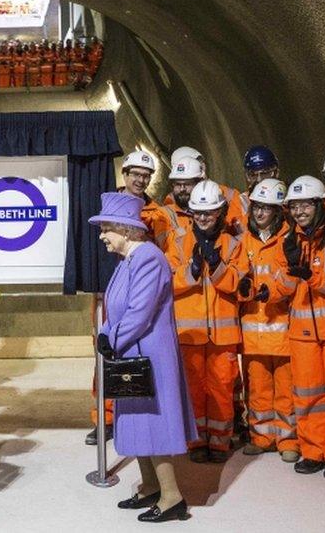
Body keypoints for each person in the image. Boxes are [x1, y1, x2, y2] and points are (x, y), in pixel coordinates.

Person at [89, 192, 196, 523]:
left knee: (153, 424)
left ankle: (172, 496)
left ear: (127, 230)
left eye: (107, 228)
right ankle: (151, 486)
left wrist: (112, 338)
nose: (103, 235)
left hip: (149, 354)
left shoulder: (148, 257)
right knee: (136, 421)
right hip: (132, 352)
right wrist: (107, 333)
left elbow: (140, 312)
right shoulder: (128, 261)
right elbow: (117, 307)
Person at [274, 175, 325, 479]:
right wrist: (292, 270)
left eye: (305, 204)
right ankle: (312, 450)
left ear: (320, 204)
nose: (299, 211)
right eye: (294, 206)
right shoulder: (290, 240)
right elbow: (282, 287)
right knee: (307, 396)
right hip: (302, 332)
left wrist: (309, 276)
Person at [164, 180, 242, 463]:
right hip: (190, 333)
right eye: (198, 212)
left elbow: (239, 284)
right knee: (194, 389)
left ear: (221, 211)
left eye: (209, 212)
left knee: (222, 388)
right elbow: (166, 282)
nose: (203, 217)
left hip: (223, 335)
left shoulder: (233, 243)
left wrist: (218, 267)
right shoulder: (179, 241)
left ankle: (220, 443)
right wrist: (192, 270)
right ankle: (196, 441)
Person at [236, 179, 299, 462]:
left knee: (286, 389)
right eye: (257, 207)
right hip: (253, 330)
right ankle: (261, 436)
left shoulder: (289, 238)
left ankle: (287, 439)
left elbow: (292, 278)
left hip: (281, 327)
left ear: (278, 210)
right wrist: (243, 287)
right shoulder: (244, 239)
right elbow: (238, 273)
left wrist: (271, 291)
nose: (260, 213)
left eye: (266, 208)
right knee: (258, 389)